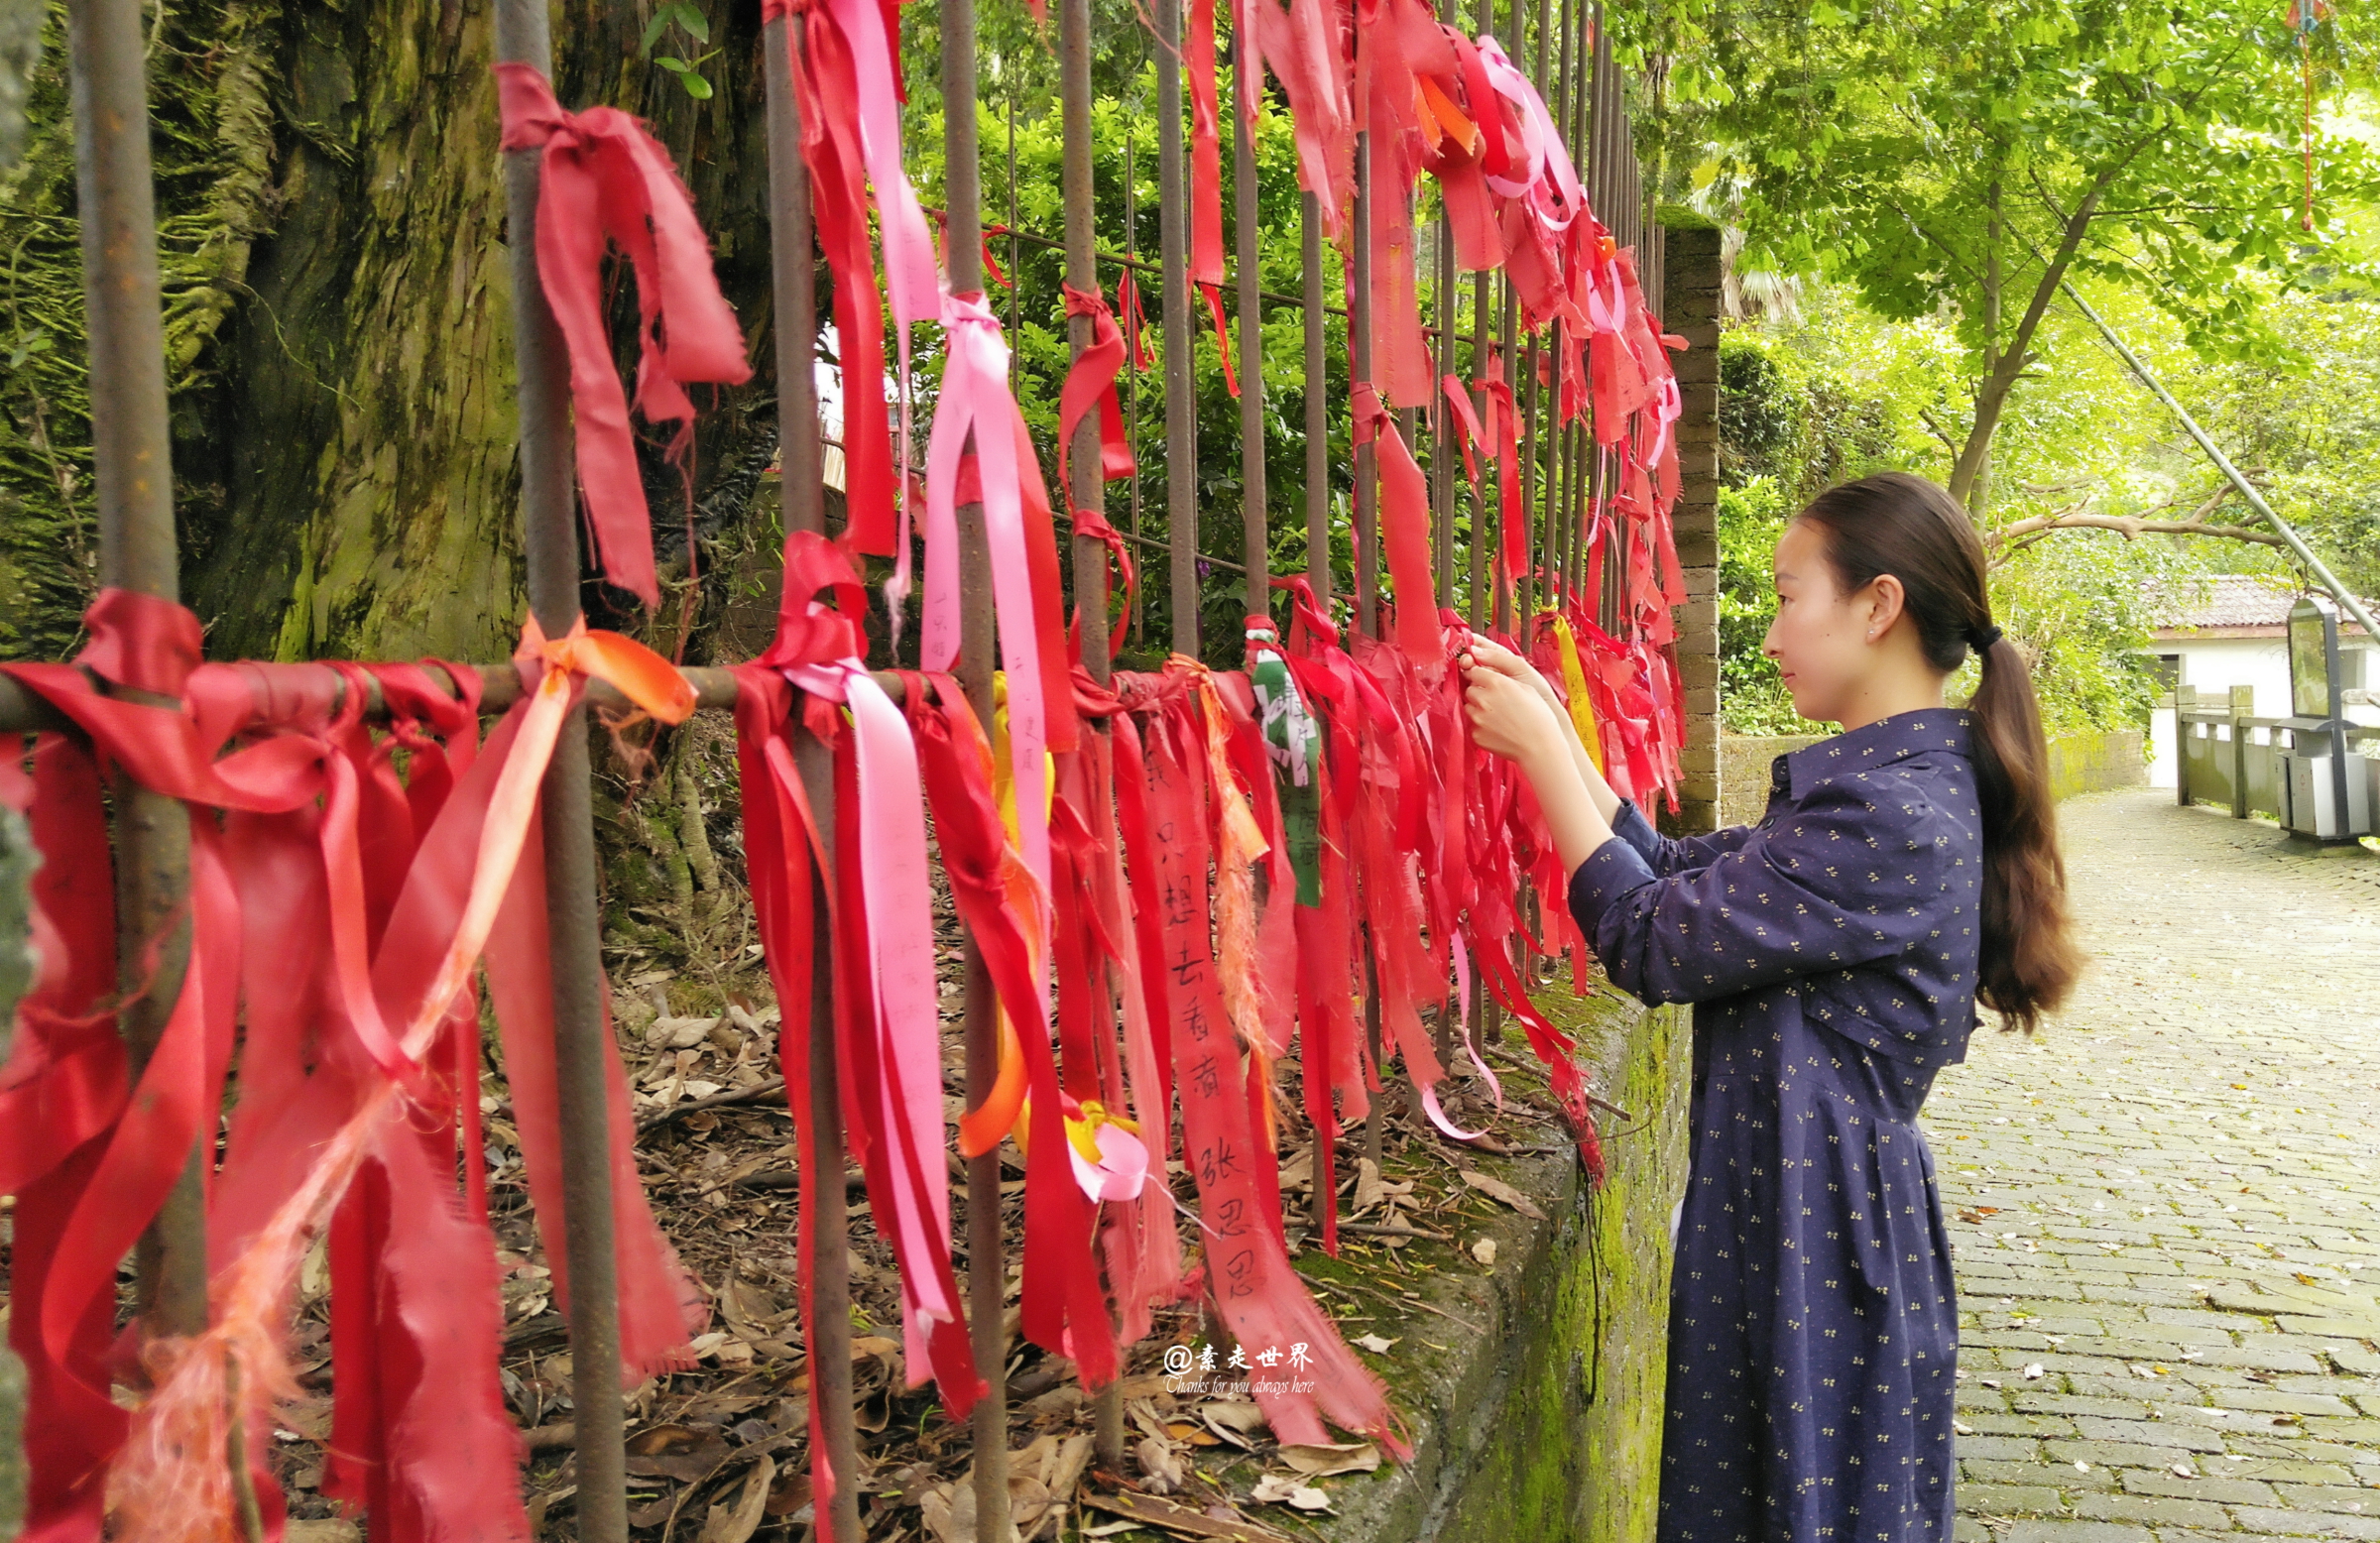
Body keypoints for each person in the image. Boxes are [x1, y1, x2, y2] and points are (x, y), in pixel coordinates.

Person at [1461, 471, 2082, 1543]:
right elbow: (1668, 868)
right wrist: (1555, 730)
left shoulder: (1896, 814)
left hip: (1827, 1247)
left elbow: (1653, 935)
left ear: (1877, 604)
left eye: (1790, 597)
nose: (1769, 635)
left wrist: (1534, 754)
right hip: (1795, 1217)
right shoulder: (1874, 789)